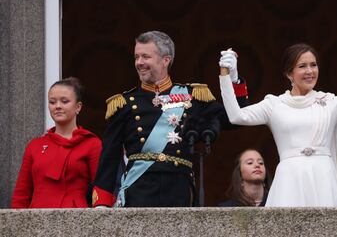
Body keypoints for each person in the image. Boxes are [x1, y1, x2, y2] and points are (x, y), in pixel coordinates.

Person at [219, 18, 337, 207]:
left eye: (313, 65)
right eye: (302, 66)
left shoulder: (330, 102)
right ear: (289, 74)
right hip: (289, 180)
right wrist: (228, 77)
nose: (310, 71)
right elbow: (236, 116)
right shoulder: (274, 105)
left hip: (324, 177)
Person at [92, 31, 248, 207]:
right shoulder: (124, 103)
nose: (139, 63)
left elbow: (234, 118)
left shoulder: (193, 96)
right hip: (139, 189)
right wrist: (102, 202)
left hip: (179, 189)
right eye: (136, 57)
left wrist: (233, 79)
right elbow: (109, 157)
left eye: (145, 57)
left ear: (165, 60)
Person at [11, 77, 102, 208]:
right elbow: (22, 193)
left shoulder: (92, 144)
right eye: (52, 102)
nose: (58, 106)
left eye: (64, 101)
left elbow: (101, 188)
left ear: (78, 107)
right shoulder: (35, 146)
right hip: (37, 218)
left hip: (77, 218)